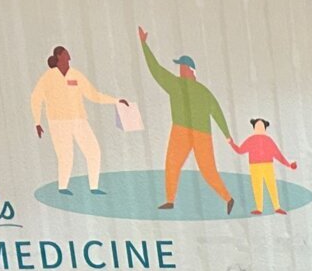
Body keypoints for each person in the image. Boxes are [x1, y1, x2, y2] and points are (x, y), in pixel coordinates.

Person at [138, 26, 234, 213]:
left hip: (201, 134)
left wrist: (228, 136)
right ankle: (170, 200)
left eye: (182, 66)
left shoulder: (203, 92)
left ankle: (228, 198)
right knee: (172, 164)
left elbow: (218, 113)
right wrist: (144, 45)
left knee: (208, 170)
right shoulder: (175, 84)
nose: (180, 69)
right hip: (180, 130)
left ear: (190, 70)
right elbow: (156, 70)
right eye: (179, 67)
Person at [31, 45, 130, 195]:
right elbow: (36, 98)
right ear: (59, 56)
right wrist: (37, 122)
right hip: (58, 123)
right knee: (65, 155)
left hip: (79, 120)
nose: (69, 56)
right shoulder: (48, 77)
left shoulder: (76, 75)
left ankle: (94, 187)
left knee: (94, 151)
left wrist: (116, 101)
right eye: (65, 54)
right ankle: (63, 187)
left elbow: (93, 94)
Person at [227, 118, 297, 216]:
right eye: (257, 125)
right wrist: (231, 143)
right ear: (254, 127)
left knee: (272, 185)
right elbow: (240, 150)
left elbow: (277, 154)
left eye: (261, 126)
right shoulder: (251, 139)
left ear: (265, 128)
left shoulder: (268, 140)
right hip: (254, 166)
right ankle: (259, 208)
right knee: (257, 186)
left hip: (268, 165)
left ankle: (277, 207)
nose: (259, 127)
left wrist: (288, 165)